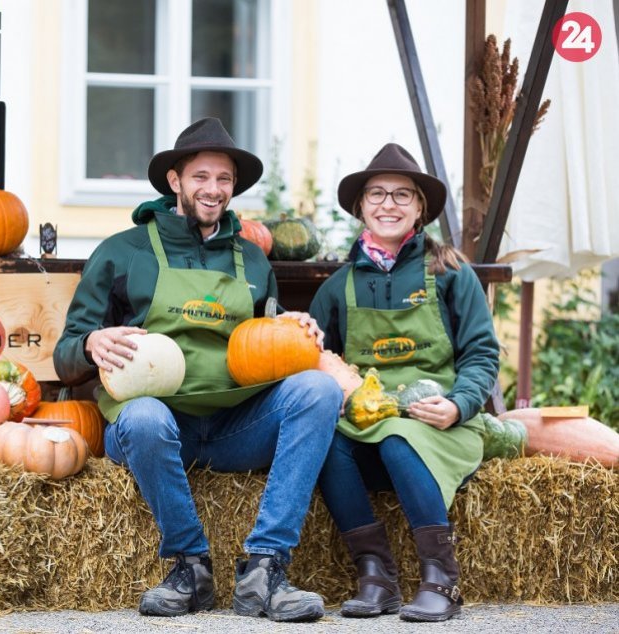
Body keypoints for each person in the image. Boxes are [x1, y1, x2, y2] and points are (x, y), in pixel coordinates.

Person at [53, 118, 343, 622]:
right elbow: (65, 355)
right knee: (143, 416)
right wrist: (92, 341)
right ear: (175, 181)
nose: (213, 190)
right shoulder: (123, 252)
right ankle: (189, 566)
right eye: (201, 177)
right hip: (155, 429)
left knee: (319, 390)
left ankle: (265, 568)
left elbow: (264, 343)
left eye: (224, 179)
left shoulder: (252, 260)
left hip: (236, 426)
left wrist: (293, 329)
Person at [309, 144, 500, 622]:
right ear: (360, 208)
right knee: (325, 443)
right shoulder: (338, 287)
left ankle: (441, 579)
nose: (387, 204)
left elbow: (481, 354)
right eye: (376, 194)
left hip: (439, 428)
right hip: (366, 426)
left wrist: (459, 404)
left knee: (398, 439)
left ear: (419, 208)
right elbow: (313, 361)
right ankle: (375, 575)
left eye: (401, 195)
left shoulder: (451, 274)